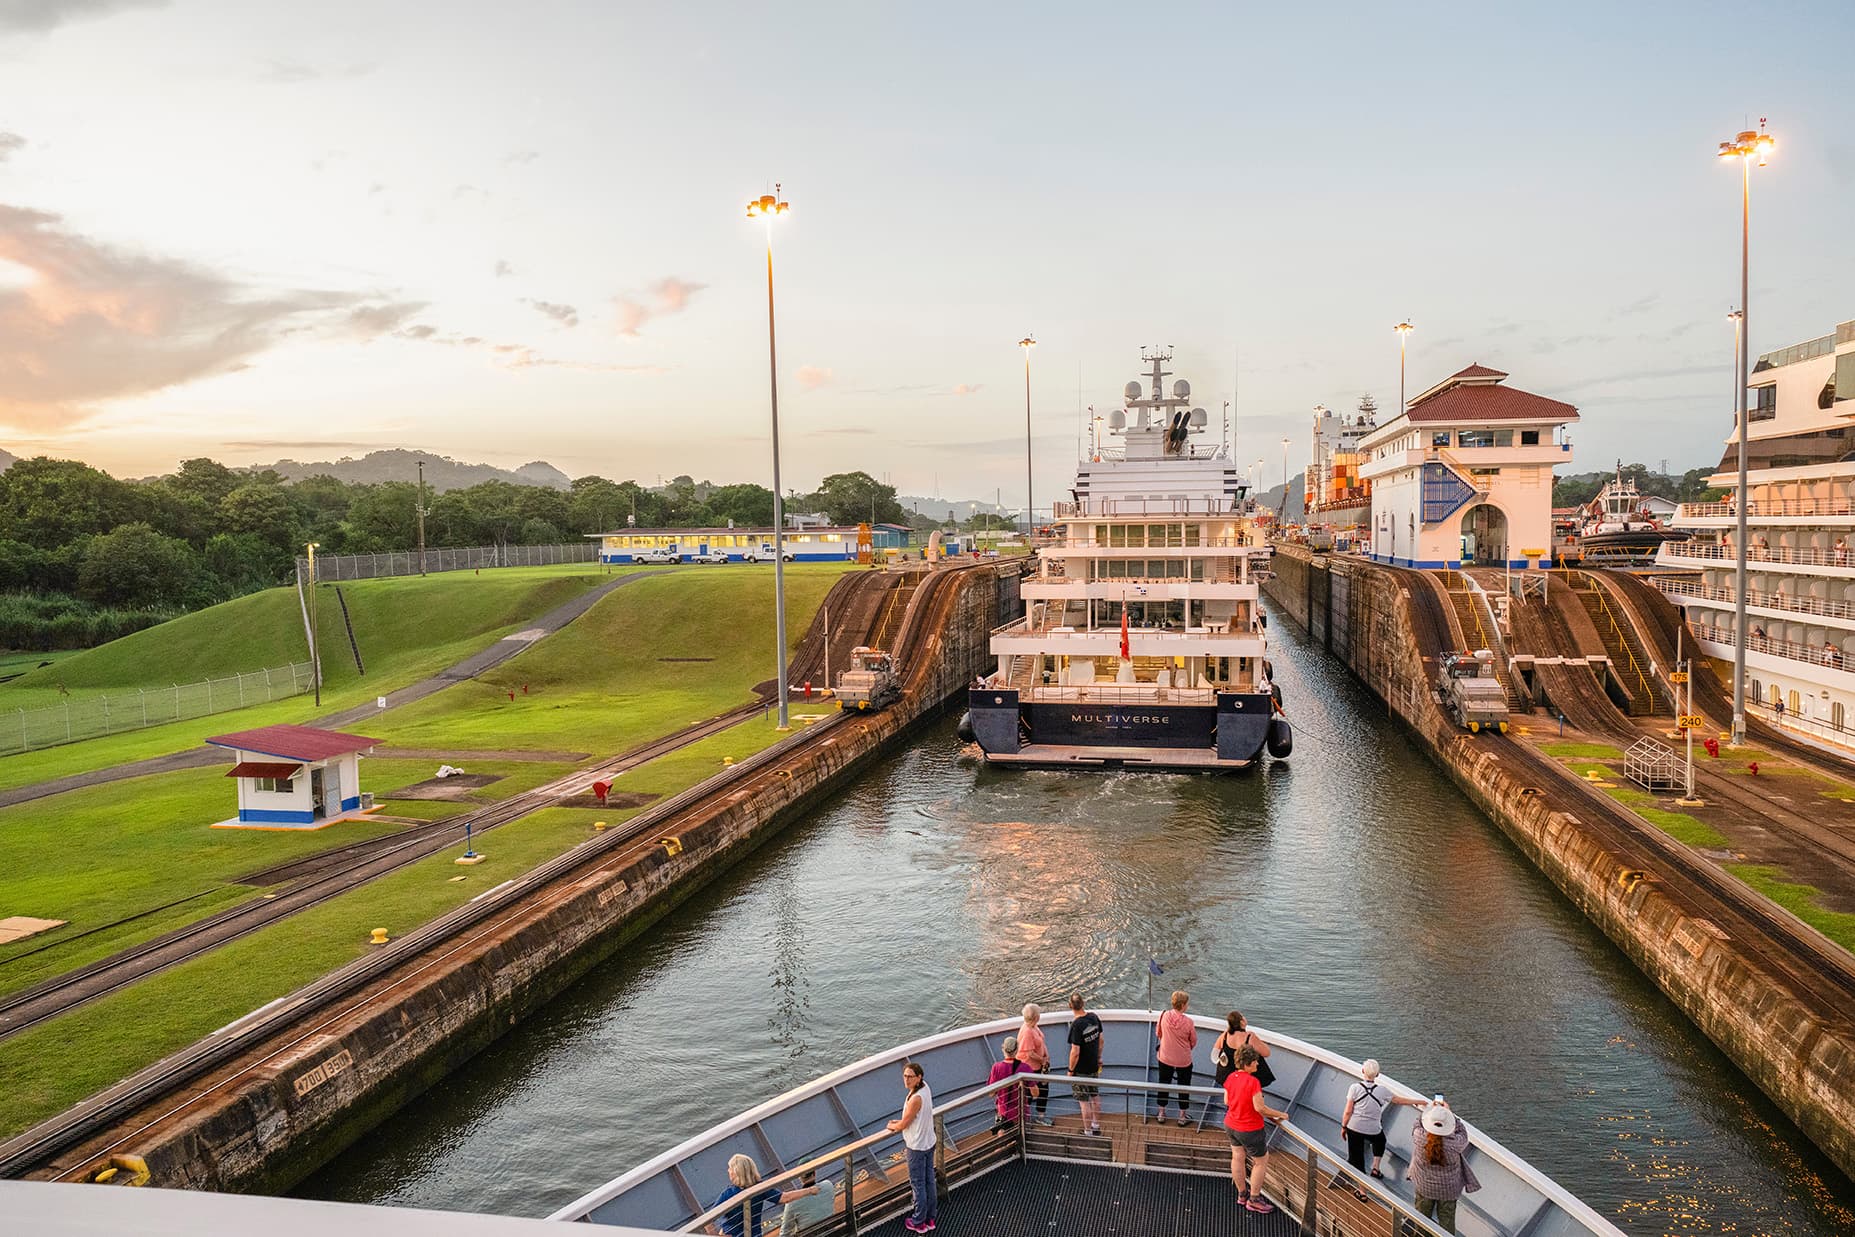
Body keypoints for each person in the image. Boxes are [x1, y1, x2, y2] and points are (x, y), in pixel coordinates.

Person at [1336, 1059, 1425, 1185]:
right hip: (1373, 1129)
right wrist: (1418, 1101)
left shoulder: (1354, 1088)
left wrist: (1344, 1127)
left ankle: (1362, 1191)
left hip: (1354, 1128)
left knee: (1357, 1158)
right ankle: (1376, 1167)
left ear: (1362, 1071)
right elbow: (1398, 1100)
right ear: (1377, 1074)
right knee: (1380, 1140)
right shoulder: (1382, 1091)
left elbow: (1348, 1112)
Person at [1222, 1045, 1287, 1214]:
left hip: (1231, 1124)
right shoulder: (1253, 1082)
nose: (1258, 1064)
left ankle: (1242, 1195)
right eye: (1255, 1062)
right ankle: (1254, 1199)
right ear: (1248, 1063)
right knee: (1260, 1161)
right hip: (1250, 1128)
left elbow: (1227, 1101)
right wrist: (1281, 1114)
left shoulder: (1230, 1077)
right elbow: (1260, 1108)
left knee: (1237, 1157)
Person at [1408, 1101, 1480, 1234]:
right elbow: (1462, 1132)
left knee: (1421, 1220)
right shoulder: (1455, 1143)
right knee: (1446, 1223)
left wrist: (1430, 1111)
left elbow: (1417, 1124)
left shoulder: (1419, 1137)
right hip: (1448, 1190)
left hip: (1424, 1186)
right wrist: (1449, 1114)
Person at [709, 1154, 820, 1237]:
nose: (728, 1171)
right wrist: (810, 1190)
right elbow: (785, 1197)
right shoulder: (760, 1187)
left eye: (730, 1168)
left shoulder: (728, 1194)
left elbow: (708, 1220)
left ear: (736, 1172)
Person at [885, 1060, 937, 1233]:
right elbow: (914, 1118)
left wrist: (893, 1125)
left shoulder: (915, 1098)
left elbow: (905, 1123)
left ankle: (919, 1221)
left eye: (910, 1077)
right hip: (929, 1141)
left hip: (917, 1146)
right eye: (905, 1076)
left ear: (918, 1077)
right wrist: (900, 1122)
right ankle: (930, 1217)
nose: (906, 1080)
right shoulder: (925, 1088)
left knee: (918, 1184)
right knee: (929, 1180)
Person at [1154, 990, 1198, 1126]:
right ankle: (1182, 1117)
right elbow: (1193, 1041)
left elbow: (1158, 1033)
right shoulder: (1189, 1022)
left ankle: (1161, 1113)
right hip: (1183, 1060)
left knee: (1163, 1084)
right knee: (1184, 1087)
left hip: (1165, 1057)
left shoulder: (1164, 1016)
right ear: (1184, 1005)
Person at [1066, 992, 1104, 1136]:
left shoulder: (1076, 1025)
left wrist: (1070, 1070)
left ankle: (1087, 1131)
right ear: (1083, 1003)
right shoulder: (1094, 1017)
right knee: (1095, 1096)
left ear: (1070, 1006)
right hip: (1094, 1066)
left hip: (1080, 1070)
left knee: (1084, 1102)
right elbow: (1101, 1040)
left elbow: (1075, 1051)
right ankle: (1096, 1125)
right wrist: (1099, 1057)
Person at [1016, 1003, 1053, 1126]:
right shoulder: (1027, 1031)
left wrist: (1046, 1056)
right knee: (1030, 1094)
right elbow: (1029, 1053)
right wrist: (1042, 1060)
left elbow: (1041, 1042)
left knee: (1043, 1091)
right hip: (1030, 1069)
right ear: (1035, 1017)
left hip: (1040, 1067)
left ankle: (1040, 1117)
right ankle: (1023, 1120)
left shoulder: (1034, 1027)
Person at [988, 1035, 1034, 1134]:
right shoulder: (1025, 1068)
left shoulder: (996, 1067)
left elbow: (991, 1093)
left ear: (1003, 1049)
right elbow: (1035, 1093)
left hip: (1004, 1110)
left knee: (1002, 1135)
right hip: (1020, 1109)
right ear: (1017, 1050)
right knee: (1021, 1133)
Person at [776, 1170, 836, 1237]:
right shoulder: (828, 1185)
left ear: (800, 1178)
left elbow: (784, 1234)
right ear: (814, 1173)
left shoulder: (792, 1202)